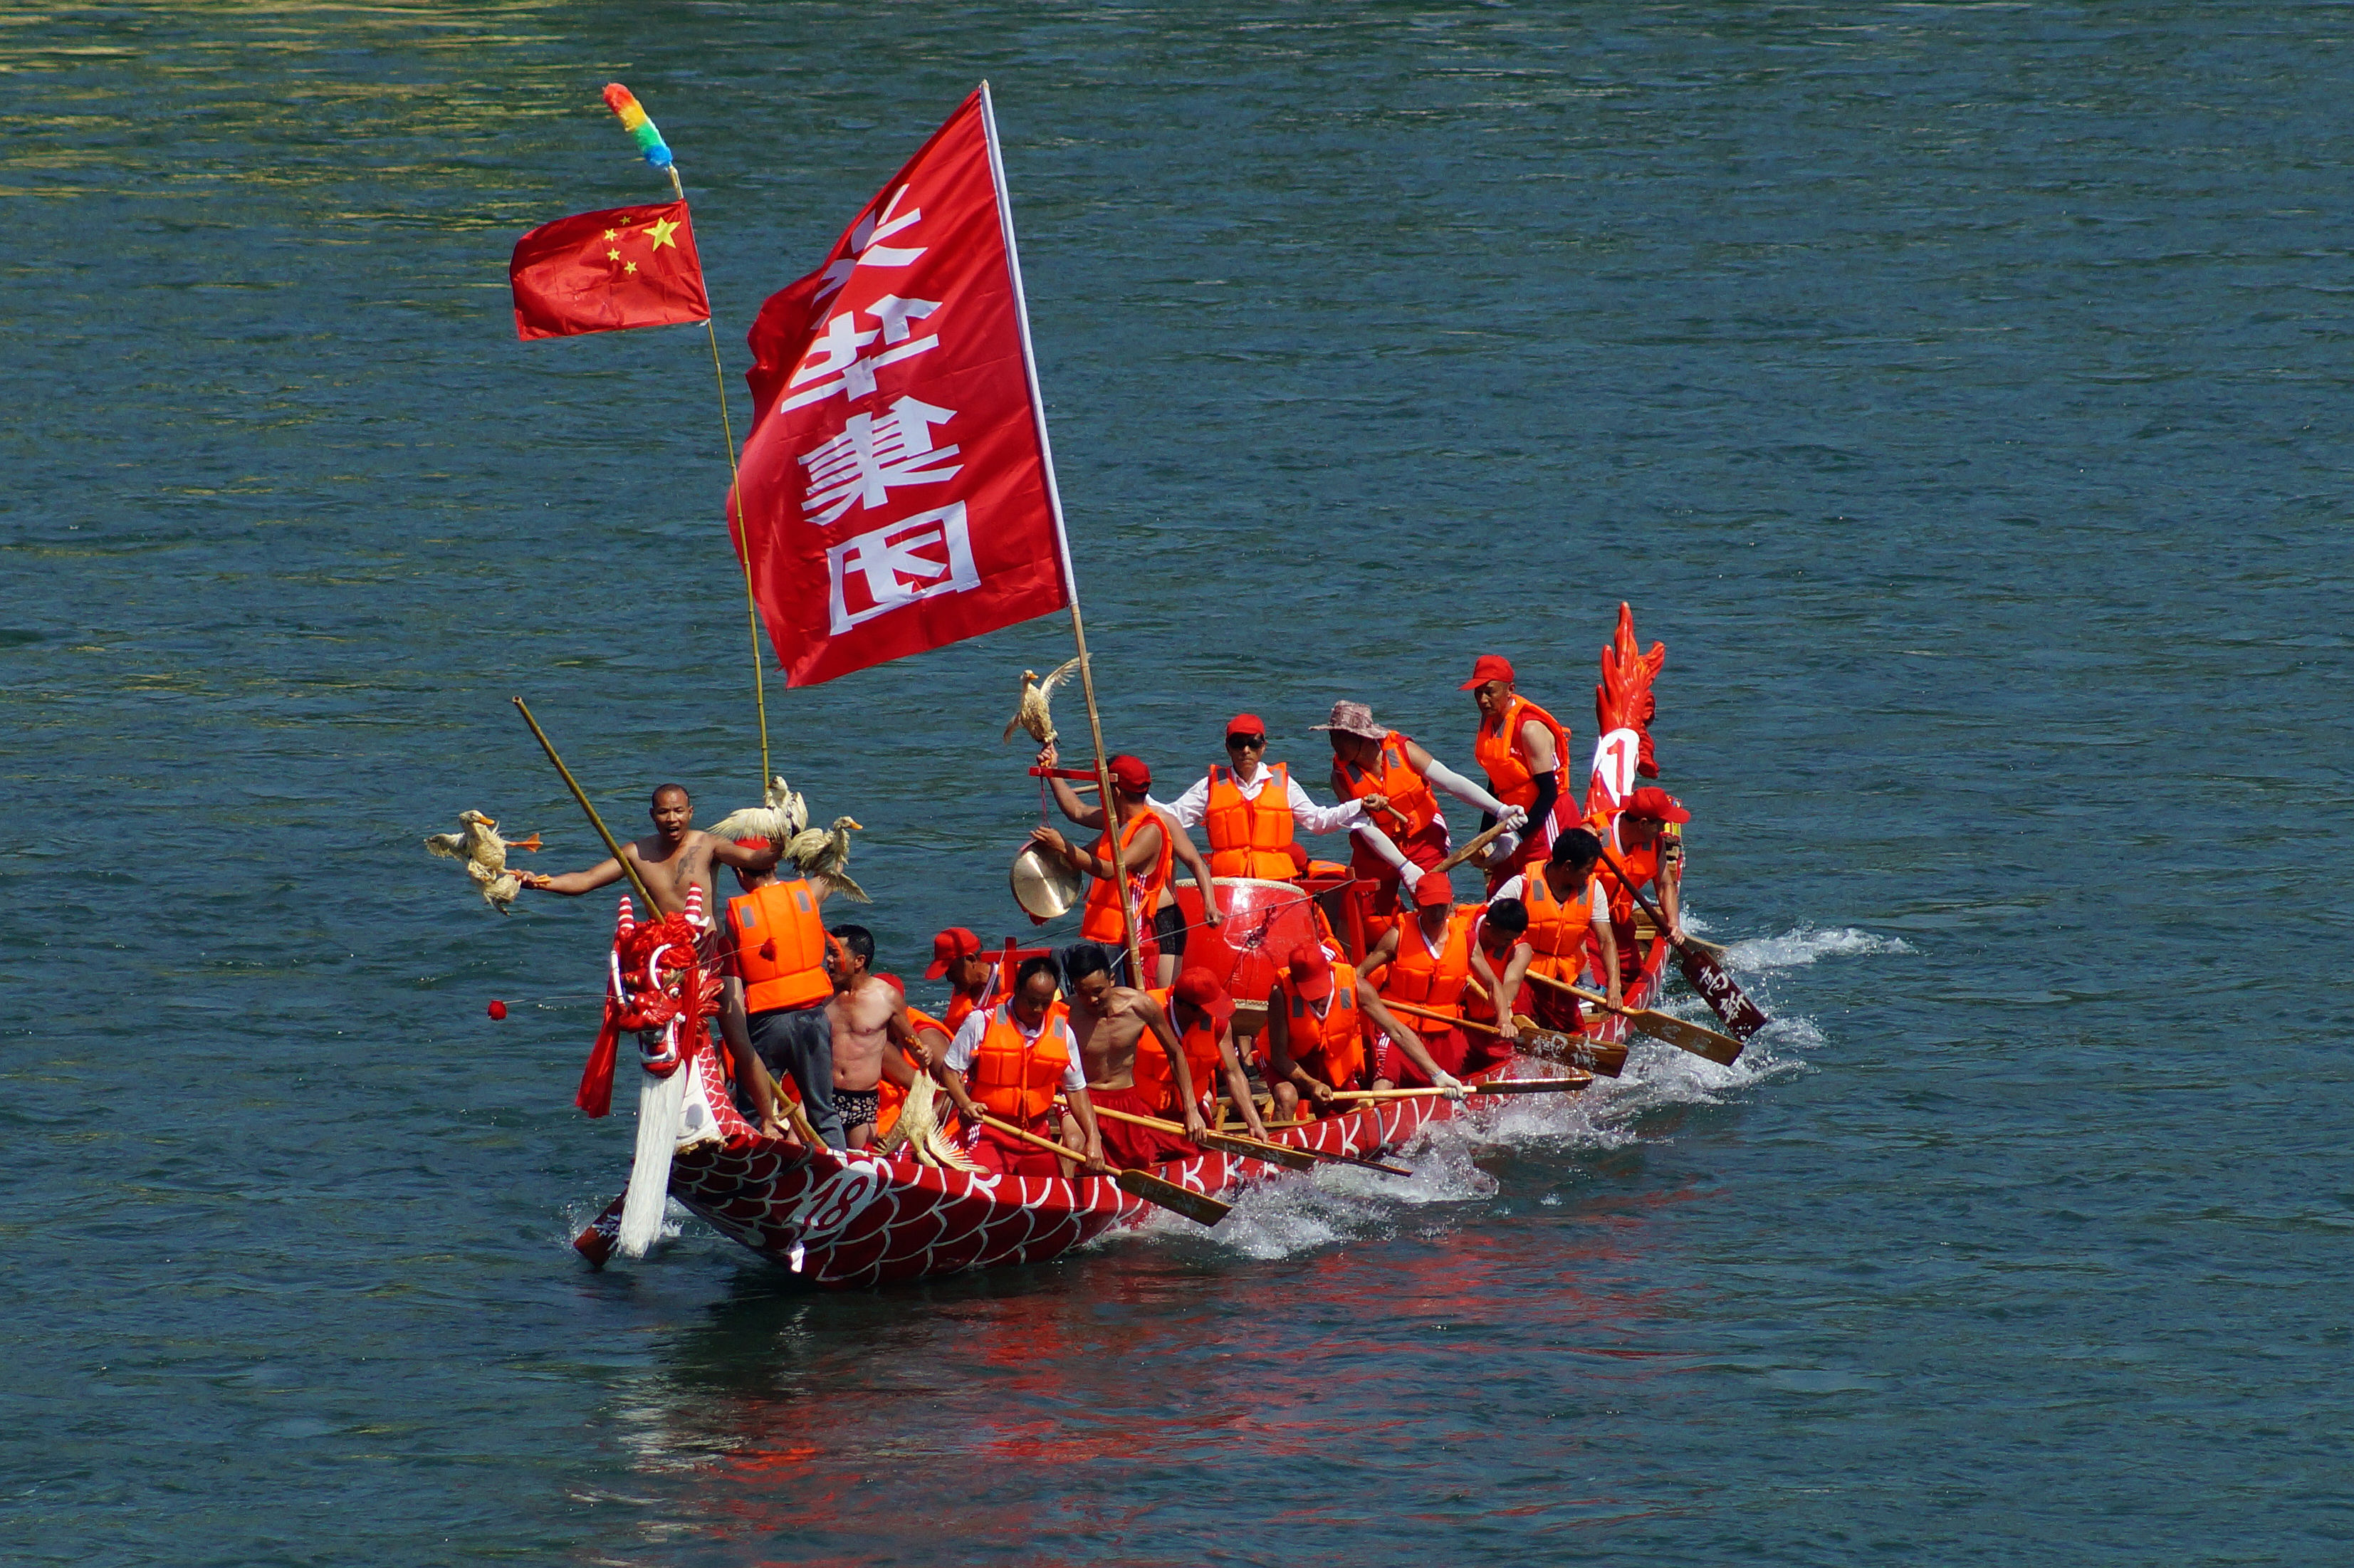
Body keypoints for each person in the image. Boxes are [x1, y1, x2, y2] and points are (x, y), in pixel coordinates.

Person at [1313, 699, 1518, 936]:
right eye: (1332, 735)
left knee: (1436, 905)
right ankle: (1354, 967)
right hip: (1374, 847)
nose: (1334, 743)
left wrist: (1498, 809)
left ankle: (1449, 955)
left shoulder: (1403, 750)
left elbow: (1450, 781)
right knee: (1357, 913)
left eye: (1341, 736)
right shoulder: (1340, 776)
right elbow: (1364, 827)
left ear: (1363, 737)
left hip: (1424, 838)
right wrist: (1403, 866)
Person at [1035, 742, 1222, 986]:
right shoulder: (1115, 820)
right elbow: (1077, 810)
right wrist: (1053, 771)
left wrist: (1210, 904)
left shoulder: (1155, 826)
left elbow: (1114, 871)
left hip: (1159, 924)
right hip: (1127, 923)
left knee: (1156, 998)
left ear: (1116, 792)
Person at [715, 842, 847, 1151]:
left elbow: (729, 973)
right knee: (822, 1110)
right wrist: (807, 848)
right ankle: (843, 1173)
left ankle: (753, 1174)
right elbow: (835, 866)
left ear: (738, 872)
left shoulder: (736, 916)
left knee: (753, 1110)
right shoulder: (807, 894)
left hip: (767, 1023)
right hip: (812, 1019)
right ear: (774, 866)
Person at [518, 783, 778, 930]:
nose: (672, 819)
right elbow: (587, 881)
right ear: (652, 815)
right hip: (665, 954)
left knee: (729, 1020)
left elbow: (755, 860)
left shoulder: (708, 844)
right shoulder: (635, 853)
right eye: (664, 812)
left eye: (678, 811)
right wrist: (541, 882)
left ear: (690, 812)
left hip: (708, 950)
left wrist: (781, 840)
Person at [1164, 714, 1383, 883]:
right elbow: (1172, 817)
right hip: (1228, 889)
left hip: (1277, 886)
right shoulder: (1210, 787)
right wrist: (1136, 799)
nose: (1246, 750)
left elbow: (1318, 821)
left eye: (1254, 743)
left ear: (1264, 747)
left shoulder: (1283, 783)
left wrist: (1359, 804)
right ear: (1228, 748)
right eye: (1238, 743)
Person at [940, 956, 1107, 1178]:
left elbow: (1076, 1091)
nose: (1038, 1009)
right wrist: (965, 1103)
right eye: (1031, 1001)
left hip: (1037, 1133)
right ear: (1017, 989)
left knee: (1052, 1195)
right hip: (989, 1130)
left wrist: (1094, 1138)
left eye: (1045, 1003)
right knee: (981, 1184)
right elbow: (950, 1070)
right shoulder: (981, 1022)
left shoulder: (1063, 1032)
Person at [1058, 943, 1208, 1169]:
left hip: (1125, 1098)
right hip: (1082, 1097)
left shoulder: (1140, 1006)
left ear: (1112, 980)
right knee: (1074, 1142)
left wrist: (1191, 1110)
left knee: (1137, 1162)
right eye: (1083, 993)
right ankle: (1064, 1200)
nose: (1092, 1001)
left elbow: (1175, 1054)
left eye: (1098, 991)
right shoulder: (1065, 1013)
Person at [1264, 943, 1448, 1118]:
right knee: (1286, 1096)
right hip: (1292, 1063)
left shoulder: (1356, 987)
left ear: (1329, 972)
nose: (1318, 997)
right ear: (1296, 983)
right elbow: (1279, 1057)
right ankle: (1279, 1142)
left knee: (1348, 1106)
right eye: (1310, 992)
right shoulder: (1281, 996)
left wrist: (1437, 1074)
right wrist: (1312, 1085)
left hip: (1334, 1062)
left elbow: (1397, 1031)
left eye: (1321, 989)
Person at [1359, 871, 1500, 1090]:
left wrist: (1505, 1020)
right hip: (1399, 1026)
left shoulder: (1466, 939)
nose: (1437, 912)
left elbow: (1491, 983)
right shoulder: (1397, 935)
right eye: (1430, 906)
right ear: (1418, 904)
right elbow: (1359, 974)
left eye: (1442, 906)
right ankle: (1380, 1107)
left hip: (1443, 1028)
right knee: (1384, 1080)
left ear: (1451, 904)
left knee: (1454, 1081)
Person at [1490, 828, 1620, 1035]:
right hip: (1523, 976)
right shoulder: (1522, 884)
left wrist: (1615, 987)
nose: (1590, 874)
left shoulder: (1593, 889)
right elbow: (1486, 923)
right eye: (1587, 869)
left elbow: (1606, 941)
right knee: (1519, 1025)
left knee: (1574, 1033)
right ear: (1568, 866)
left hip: (1562, 980)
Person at [1460, 657, 1575, 889]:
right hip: (1513, 816)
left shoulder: (1530, 729)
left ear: (1510, 689)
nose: (1482, 700)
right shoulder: (1489, 722)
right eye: (1477, 693)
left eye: (1489, 692)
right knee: (1499, 889)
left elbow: (1549, 793)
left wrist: (1517, 836)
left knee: (1541, 886)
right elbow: (1496, 782)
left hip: (1546, 818)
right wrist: (1486, 835)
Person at [823, 925, 926, 1149]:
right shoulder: (820, 992)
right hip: (823, 1094)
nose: (829, 960)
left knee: (857, 1164)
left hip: (862, 1102)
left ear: (859, 961)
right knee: (797, 1145)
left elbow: (912, 1044)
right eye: (828, 953)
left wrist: (922, 1054)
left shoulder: (886, 997)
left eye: (835, 954)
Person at [1139, 966, 1270, 1141]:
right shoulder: (1142, 1011)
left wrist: (1254, 1123)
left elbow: (1234, 1073)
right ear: (1185, 1006)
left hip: (1193, 1113)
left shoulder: (1219, 1023)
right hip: (1145, 1113)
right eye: (1208, 1008)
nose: (1213, 1013)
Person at [1597, 787, 1688, 986]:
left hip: (1620, 925)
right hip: (1587, 926)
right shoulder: (1593, 836)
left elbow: (1665, 885)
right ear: (1644, 824)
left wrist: (1673, 923)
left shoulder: (1655, 843)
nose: (1664, 829)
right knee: (1599, 980)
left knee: (1633, 977)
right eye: (1662, 824)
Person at [925, 926, 997, 1034]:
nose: (949, 979)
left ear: (971, 959)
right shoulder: (963, 987)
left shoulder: (1016, 982)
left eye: (952, 971)